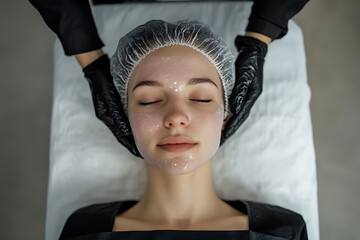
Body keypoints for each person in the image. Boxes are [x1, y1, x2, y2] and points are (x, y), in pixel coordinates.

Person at [28, 1, 310, 239]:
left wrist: (258, 41)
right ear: (123, 118)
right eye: (149, 100)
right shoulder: (85, 231)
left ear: (228, 114)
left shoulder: (281, 232)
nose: (176, 117)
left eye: (201, 98)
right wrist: (91, 63)